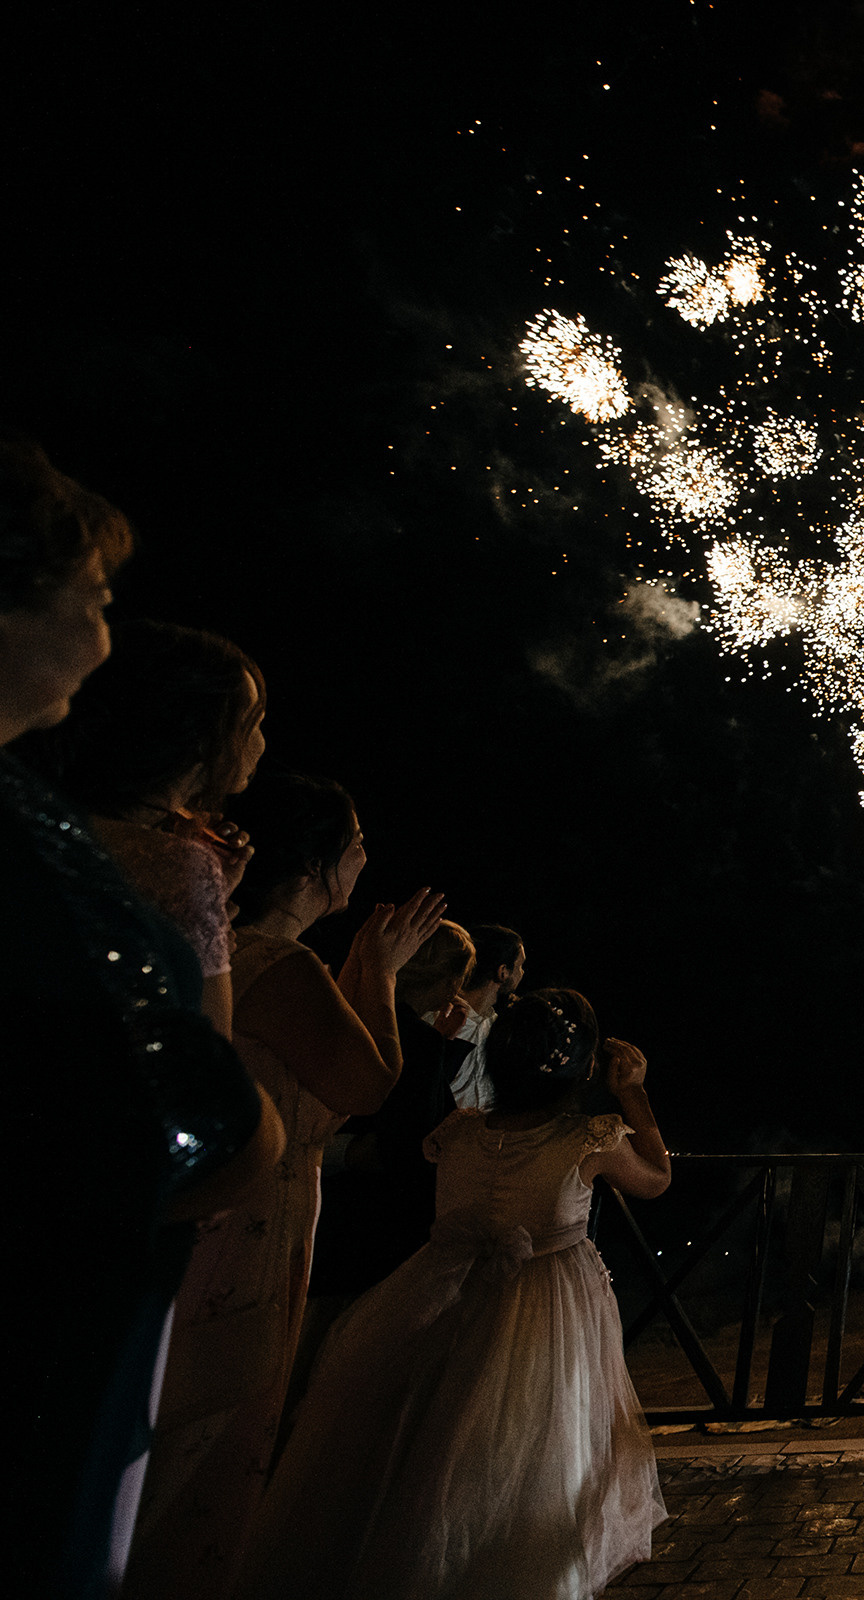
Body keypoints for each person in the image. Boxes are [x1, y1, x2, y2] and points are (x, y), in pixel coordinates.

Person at [1, 438, 281, 1597]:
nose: (106, 633)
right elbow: (187, 1094)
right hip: (56, 1306)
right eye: (96, 596)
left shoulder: (47, 815)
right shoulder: (43, 850)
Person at [122, 772, 446, 1600]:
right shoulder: (284, 964)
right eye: (356, 842)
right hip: (250, 1220)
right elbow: (369, 1085)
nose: (368, 856)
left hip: (251, 1207)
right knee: (208, 1452)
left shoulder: (257, 956)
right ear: (313, 867)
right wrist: (373, 966)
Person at [244, 988, 672, 1599]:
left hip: (439, 1291)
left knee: (429, 1441)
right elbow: (657, 1178)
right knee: (536, 1445)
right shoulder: (589, 1137)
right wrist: (633, 1091)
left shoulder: (459, 1132)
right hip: (547, 1305)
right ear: (578, 1066)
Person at [25, 617, 268, 1036]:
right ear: (200, 735)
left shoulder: (48, 814)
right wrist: (197, 887)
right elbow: (211, 1061)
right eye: (253, 723)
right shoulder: (181, 866)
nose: (262, 743)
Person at [311, 921, 475, 1303]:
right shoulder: (415, 1040)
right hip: (378, 1220)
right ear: (452, 982)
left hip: (331, 1202)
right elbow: (416, 1137)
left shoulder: (355, 1010)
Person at [446, 923, 526, 1111]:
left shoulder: (497, 1026)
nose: (522, 973)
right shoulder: (443, 1017)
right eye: (520, 966)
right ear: (503, 972)